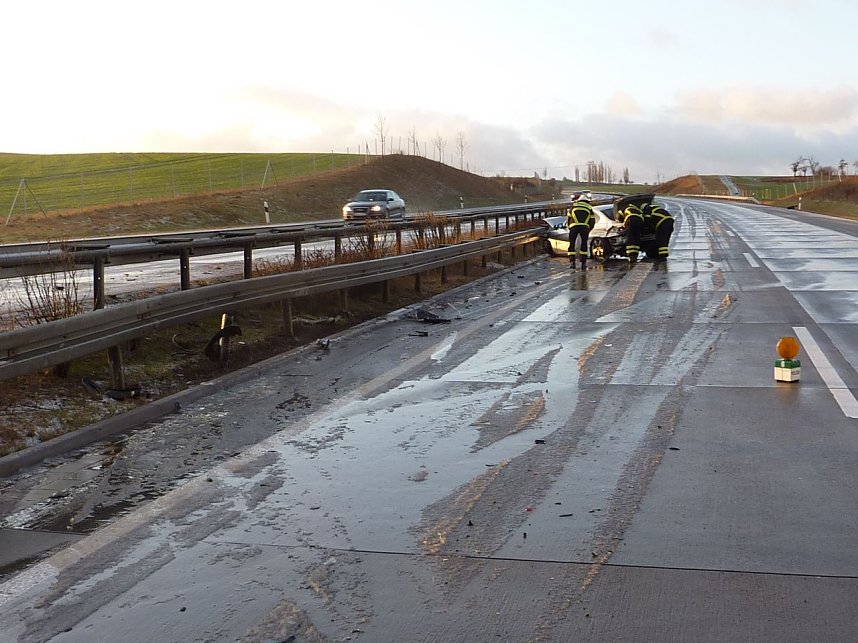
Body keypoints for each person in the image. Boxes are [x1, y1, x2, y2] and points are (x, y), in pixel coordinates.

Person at [566, 194, 596, 269]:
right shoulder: (589, 208)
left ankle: (572, 263)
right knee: (584, 244)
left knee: (572, 244)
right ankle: (583, 263)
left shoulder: (574, 206)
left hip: (573, 227)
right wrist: (589, 229)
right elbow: (592, 220)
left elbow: (569, 218)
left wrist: (570, 227)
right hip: (584, 227)